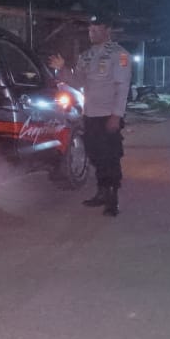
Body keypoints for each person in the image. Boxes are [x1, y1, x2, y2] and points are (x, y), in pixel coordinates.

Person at [48, 15, 131, 217]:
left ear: (107, 30)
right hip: (91, 114)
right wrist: (63, 69)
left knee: (110, 156)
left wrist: (116, 115)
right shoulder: (86, 56)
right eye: (90, 30)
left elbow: (122, 87)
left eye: (96, 30)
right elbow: (78, 82)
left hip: (108, 114)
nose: (91, 33)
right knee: (95, 154)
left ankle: (112, 198)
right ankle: (101, 192)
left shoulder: (120, 54)